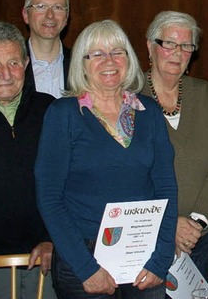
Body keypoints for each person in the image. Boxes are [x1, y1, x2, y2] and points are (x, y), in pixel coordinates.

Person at [35, 20, 177, 298]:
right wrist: (86, 268)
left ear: (129, 59)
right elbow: (49, 197)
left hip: (143, 252)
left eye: (117, 51)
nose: (108, 61)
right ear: (82, 63)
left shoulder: (149, 111)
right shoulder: (62, 114)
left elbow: (167, 190)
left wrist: (161, 259)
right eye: (96, 54)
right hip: (83, 256)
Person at [142, 11, 208, 281]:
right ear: (150, 46)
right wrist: (170, 224)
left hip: (199, 236)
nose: (177, 52)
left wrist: (197, 220)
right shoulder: (130, 97)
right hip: (149, 234)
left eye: (186, 46)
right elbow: (128, 174)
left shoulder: (203, 93)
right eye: (169, 43)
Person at [0, 20, 57, 299]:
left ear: (26, 64)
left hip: (46, 262)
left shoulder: (52, 112)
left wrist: (54, 241)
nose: (6, 74)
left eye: (14, 62)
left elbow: (73, 183)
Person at [21, 0, 71, 98]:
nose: (50, 15)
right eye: (41, 6)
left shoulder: (81, 65)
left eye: (58, 7)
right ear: (26, 15)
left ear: (66, 17)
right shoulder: (10, 66)